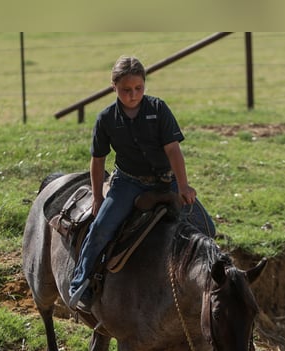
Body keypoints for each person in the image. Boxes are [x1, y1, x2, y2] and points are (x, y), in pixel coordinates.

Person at [69, 55, 216, 312]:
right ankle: (81, 283)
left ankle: (212, 282)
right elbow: (98, 160)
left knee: (207, 227)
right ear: (113, 87)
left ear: (144, 86)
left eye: (138, 88)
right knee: (101, 228)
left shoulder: (159, 109)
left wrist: (183, 186)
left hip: (166, 181)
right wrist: (96, 197)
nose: (133, 95)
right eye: (126, 90)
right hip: (128, 183)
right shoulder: (105, 119)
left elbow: (173, 150)